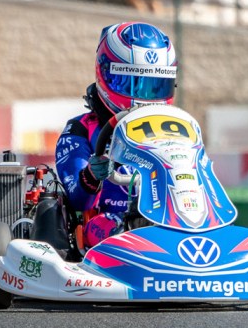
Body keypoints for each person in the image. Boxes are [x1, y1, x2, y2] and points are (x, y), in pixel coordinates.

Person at [55, 22, 177, 249]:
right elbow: (78, 200)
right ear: (105, 76)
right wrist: (92, 174)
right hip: (109, 224)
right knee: (119, 230)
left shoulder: (176, 130)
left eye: (155, 86)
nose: (144, 97)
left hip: (169, 219)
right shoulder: (80, 130)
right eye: (132, 84)